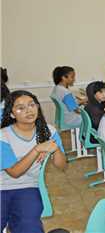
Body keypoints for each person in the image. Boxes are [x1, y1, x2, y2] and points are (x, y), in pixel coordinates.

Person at [1, 90, 67, 233]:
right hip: (2, 187)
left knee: (29, 228)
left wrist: (55, 149)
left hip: (27, 188)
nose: (28, 110)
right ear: (12, 114)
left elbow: (62, 165)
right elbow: (14, 172)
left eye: (32, 105)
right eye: (20, 108)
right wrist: (37, 149)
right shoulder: (3, 136)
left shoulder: (49, 131)